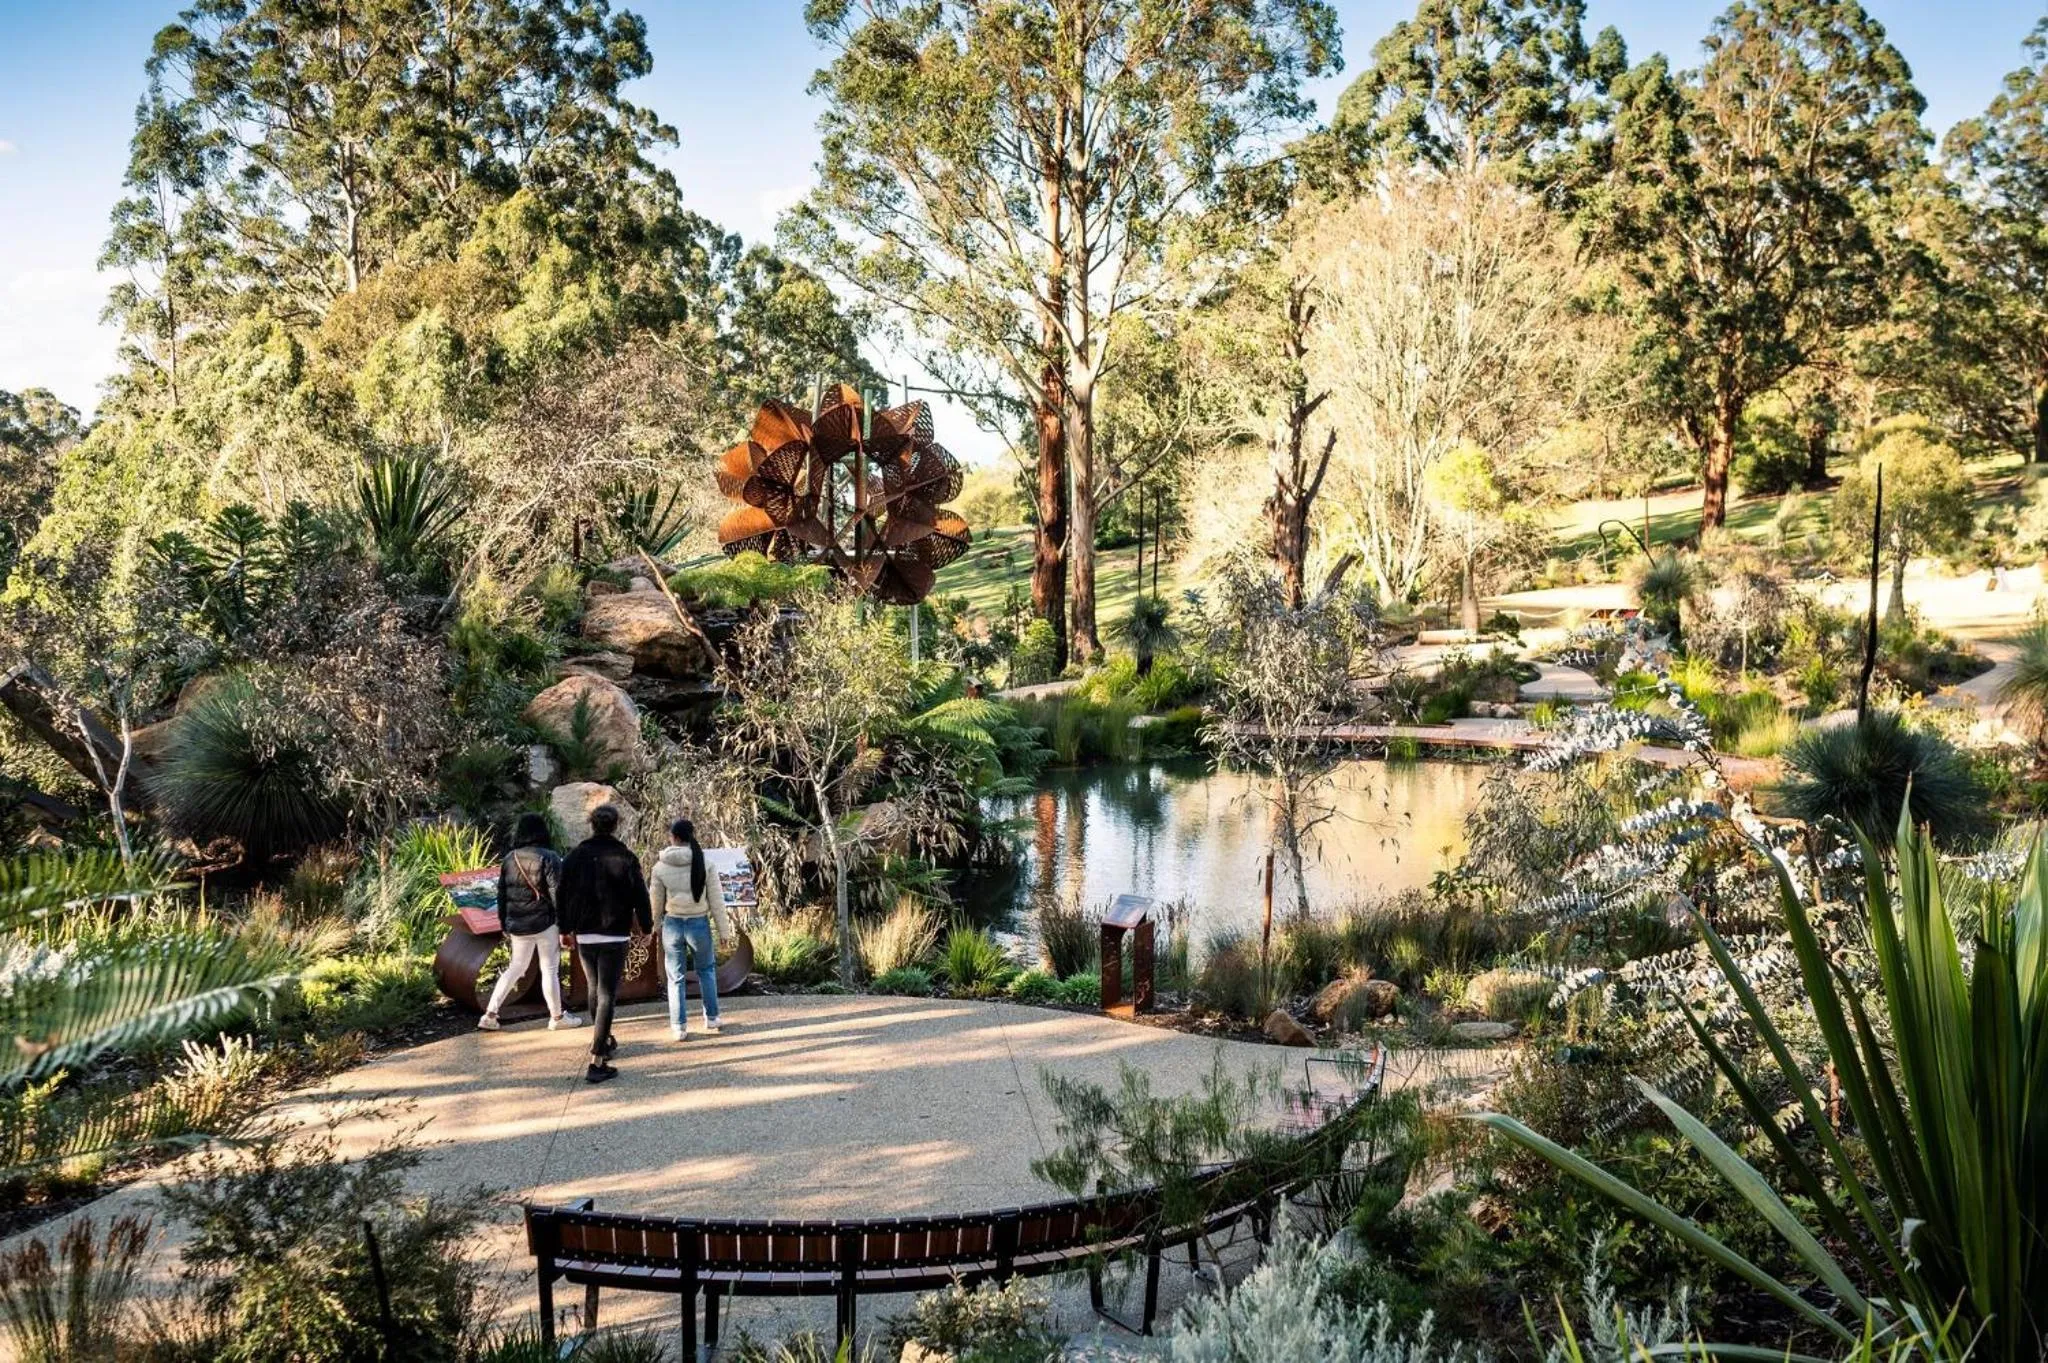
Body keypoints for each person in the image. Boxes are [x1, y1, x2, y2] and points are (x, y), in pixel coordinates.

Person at [556, 804, 652, 1084]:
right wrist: (646, 927)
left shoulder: (575, 857)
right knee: (608, 992)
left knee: (594, 988)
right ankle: (597, 1057)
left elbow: (563, 894)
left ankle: (604, 1038)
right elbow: (640, 895)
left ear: (591, 824)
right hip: (616, 932)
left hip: (585, 932)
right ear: (616, 825)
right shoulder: (626, 857)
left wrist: (565, 928)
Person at [477, 813, 582, 1032]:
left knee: (516, 967)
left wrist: (504, 923)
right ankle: (556, 1017)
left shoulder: (509, 858)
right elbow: (558, 895)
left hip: (518, 924)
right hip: (545, 923)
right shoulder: (549, 857)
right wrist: (565, 927)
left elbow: (502, 894)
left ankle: (490, 1014)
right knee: (549, 970)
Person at [650, 818, 730, 1040]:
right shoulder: (705, 863)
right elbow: (716, 901)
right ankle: (712, 1017)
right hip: (698, 923)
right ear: (692, 836)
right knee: (706, 970)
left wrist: (655, 926)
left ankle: (679, 1026)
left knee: (675, 976)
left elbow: (655, 903)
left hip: (673, 924)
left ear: (673, 837)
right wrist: (724, 932)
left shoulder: (660, 866)